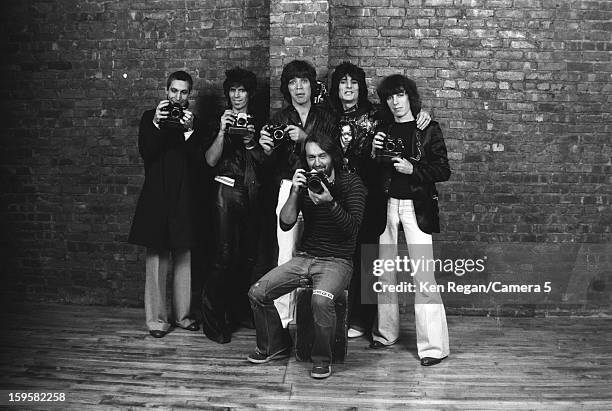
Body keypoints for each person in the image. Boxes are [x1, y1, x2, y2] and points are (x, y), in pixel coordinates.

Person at [247, 133, 367, 379]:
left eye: (322, 156)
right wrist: (294, 191)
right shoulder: (306, 182)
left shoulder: (352, 183)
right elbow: (285, 223)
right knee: (257, 292)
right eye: (311, 157)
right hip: (306, 257)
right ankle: (276, 344)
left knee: (321, 300)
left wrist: (330, 202)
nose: (317, 162)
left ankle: (322, 358)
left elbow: (352, 229)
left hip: (338, 261)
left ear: (333, 156)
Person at [327, 62, 431, 339]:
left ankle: (362, 319)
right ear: (335, 88)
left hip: (370, 192)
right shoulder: (328, 115)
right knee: (340, 252)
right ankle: (339, 315)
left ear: (361, 87)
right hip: (336, 191)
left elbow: (405, 121)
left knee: (369, 256)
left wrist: (422, 115)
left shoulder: (377, 114)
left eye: (353, 82)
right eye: (342, 82)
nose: (348, 87)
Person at [369, 74, 450, 366]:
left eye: (400, 95)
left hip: (417, 207)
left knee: (423, 275)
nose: (395, 101)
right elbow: (375, 169)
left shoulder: (428, 128)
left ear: (410, 97)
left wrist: (411, 169)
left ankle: (433, 348)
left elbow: (443, 170)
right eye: (390, 97)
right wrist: (374, 152)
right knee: (384, 273)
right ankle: (385, 334)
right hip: (387, 206)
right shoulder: (383, 128)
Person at [258, 60, 336, 329]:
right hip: (289, 187)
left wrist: (305, 138)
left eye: (303, 81)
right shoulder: (279, 119)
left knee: (320, 253)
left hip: (321, 187)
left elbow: (334, 153)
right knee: (285, 254)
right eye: (292, 82)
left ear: (312, 85)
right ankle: (282, 318)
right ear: (286, 88)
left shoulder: (326, 116)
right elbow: (267, 167)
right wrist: (266, 150)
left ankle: (314, 319)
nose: (298, 87)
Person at [128, 70, 202, 338]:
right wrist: (158, 124)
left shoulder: (193, 121)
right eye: (174, 91)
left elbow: (198, 163)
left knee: (184, 258)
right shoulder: (150, 118)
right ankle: (157, 320)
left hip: (183, 195)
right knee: (157, 258)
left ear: (189, 95)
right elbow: (147, 153)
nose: (178, 97)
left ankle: (183, 316)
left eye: (183, 92)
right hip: (157, 196)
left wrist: (190, 131)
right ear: (166, 91)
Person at [200, 67, 268, 344]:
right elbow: (210, 160)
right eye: (233, 90)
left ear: (249, 93)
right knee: (223, 257)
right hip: (225, 192)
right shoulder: (220, 121)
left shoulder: (261, 121)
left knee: (247, 258)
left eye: (242, 90)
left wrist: (252, 139)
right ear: (228, 94)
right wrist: (221, 130)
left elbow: (266, 163)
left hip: (252, 195)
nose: (237, 95)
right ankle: (213, 321)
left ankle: (236, 313)